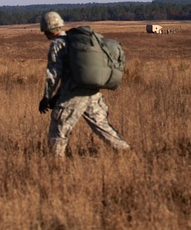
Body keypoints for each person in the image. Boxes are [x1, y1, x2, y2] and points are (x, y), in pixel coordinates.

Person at [38, 11, 130, 157]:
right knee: (102, 126)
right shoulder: (72, 41)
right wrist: (58, 95)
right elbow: (72, 72)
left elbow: (54, 74)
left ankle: (54, 163)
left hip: (74, 93)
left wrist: (47, 97)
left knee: (59, 126)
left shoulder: (57, 44)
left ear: (46, 30)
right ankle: (126, 152)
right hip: (92, 91)